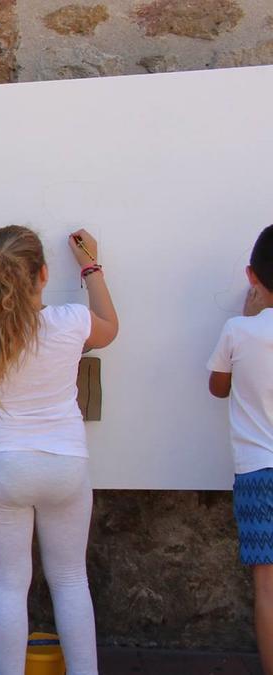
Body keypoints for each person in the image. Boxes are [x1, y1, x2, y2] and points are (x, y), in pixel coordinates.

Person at [0, 226, 119, 675]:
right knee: (70, 580)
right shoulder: (70, 321)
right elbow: (111, 327)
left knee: (8, 585)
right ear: (43, 274)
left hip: (4, 466)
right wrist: (91, 267)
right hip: (65, 465)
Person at [208, 224, 273, 674]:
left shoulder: (238, 330)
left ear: (251, 276)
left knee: (267, 588)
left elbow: (217, 388)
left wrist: (249, 324)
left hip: (257, 471)